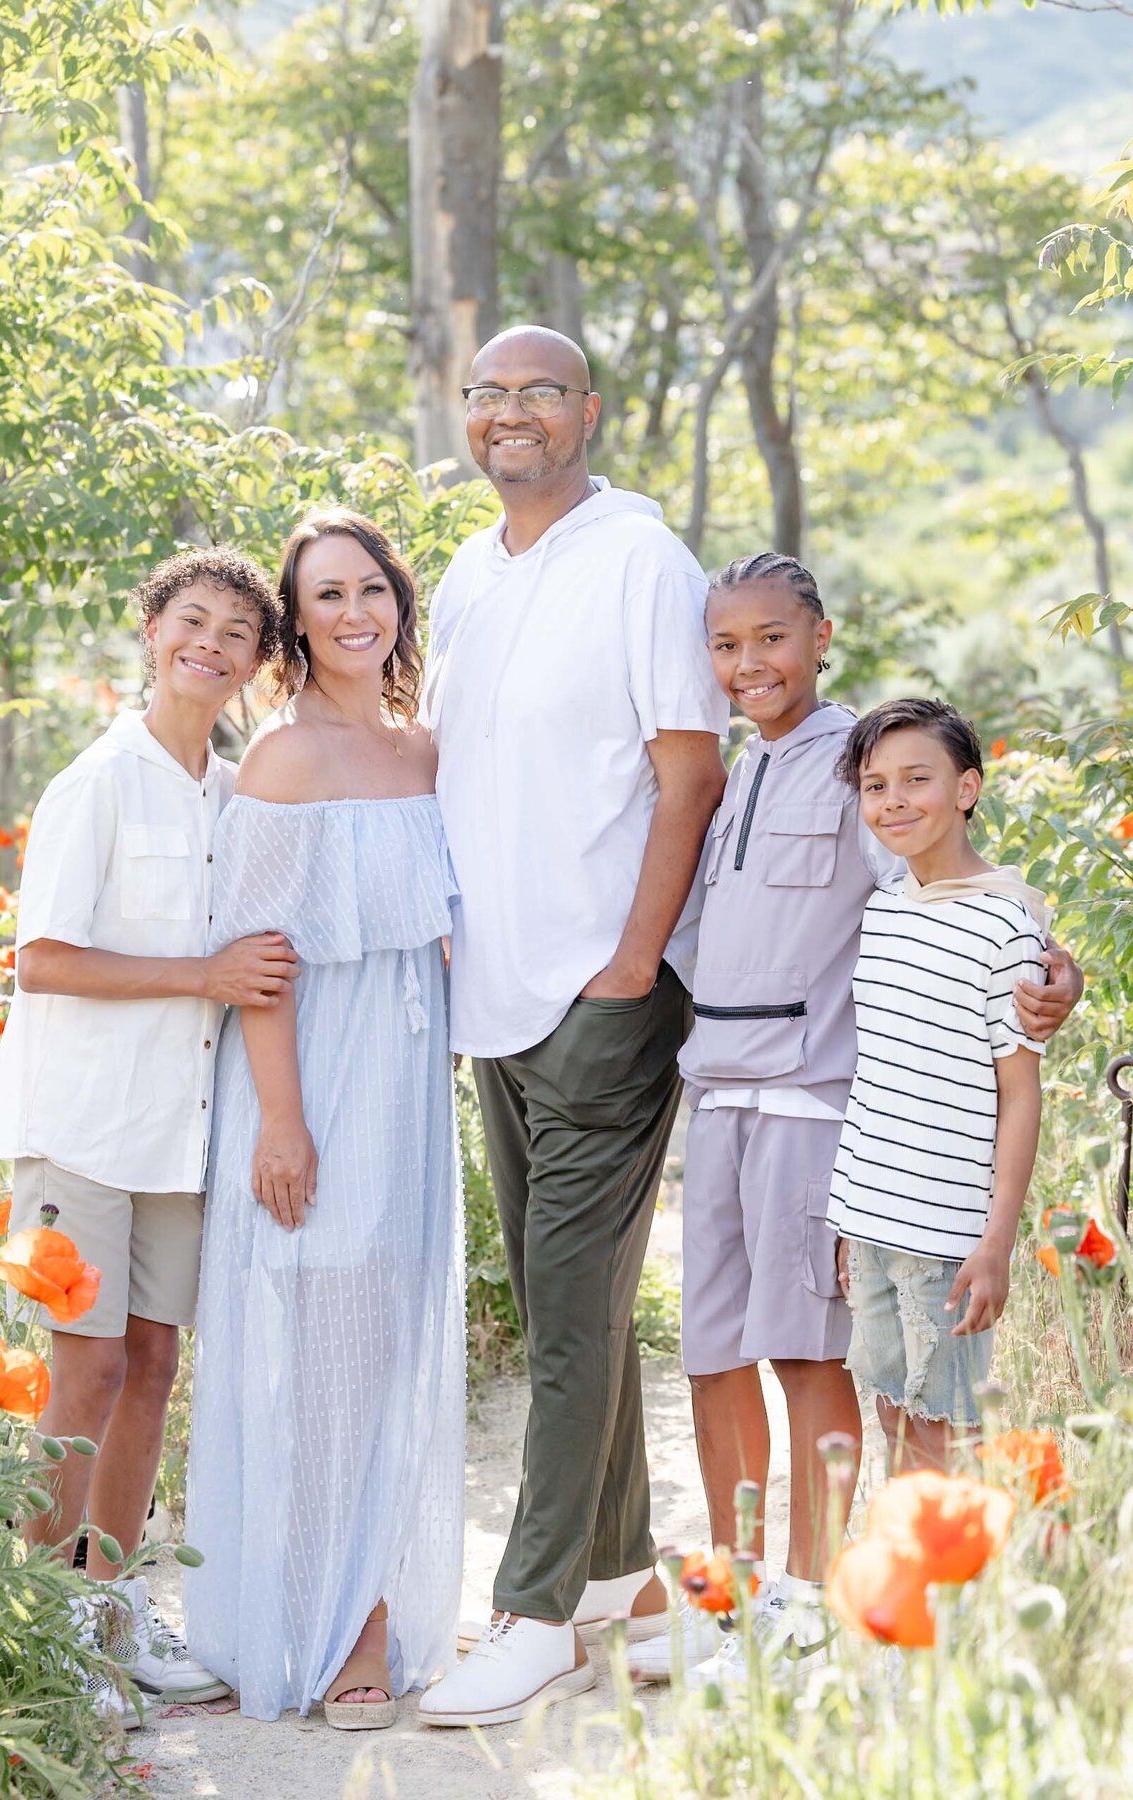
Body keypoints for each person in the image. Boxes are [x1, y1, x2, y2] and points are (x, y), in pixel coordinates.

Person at [629, 555, 1081, 1691]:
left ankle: (810, 1595)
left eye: (772, 639)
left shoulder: (854, 767)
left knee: (805, 1353)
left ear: (821, 636)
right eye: (726, 647)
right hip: (717, 1102)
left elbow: (952, 881)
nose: (750, 665)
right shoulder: (737, 773)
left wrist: (1051, 972)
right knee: (712, 1355)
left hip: (810, 1111)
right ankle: (731, 1595)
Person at [417, 326, 729, 1729]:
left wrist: (631, 962)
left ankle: (534, 1611)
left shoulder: (641, 560)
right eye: (488, 394)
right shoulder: (474, 572)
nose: (511, 414)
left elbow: (689, 770)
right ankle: (621, 1586)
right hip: (494, 990)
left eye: (541, 390)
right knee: (567, 1310)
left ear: (590, 411)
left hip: (604, 992)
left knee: (565, 1322)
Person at [0, 546, 295, 1720]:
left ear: (259, 662)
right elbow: (41, 957)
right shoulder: (97, 781)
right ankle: (40, 1625)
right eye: (191, 621)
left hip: (183, 1132)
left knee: (154, 1365)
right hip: (82, 1126)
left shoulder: (229, 789)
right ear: (151, 629)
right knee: (87, 1365)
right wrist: (202, 974)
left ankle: (112, 1610)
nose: (210, 645)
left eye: (236, 634)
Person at [183, 508, 464, 1726]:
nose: (355, 614)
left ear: (400, 604)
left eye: (373, 591)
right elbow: (259, 961)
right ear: (296, 621)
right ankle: (324, 1624)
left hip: (409, 1090)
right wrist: (282, 1126)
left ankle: (373, 1612)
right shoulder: (283, 760)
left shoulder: (425, 751)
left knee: (391, 1349)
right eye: (327, 596)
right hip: (313, 1079)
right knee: (318, 1355)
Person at [829, 697, 1047, 1471]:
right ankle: (913, 1583)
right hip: (873, 1217)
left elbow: (1021, 1094)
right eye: (876, 784)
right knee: (890, 1413)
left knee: (943, 1435)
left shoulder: (1006, 926)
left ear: (966, 789)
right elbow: (880, 1074)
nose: (894, 801)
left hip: (949, 1236)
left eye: (916, 779)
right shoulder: (885, 909)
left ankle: (956, 1589)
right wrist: (849, 1218)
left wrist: (997, 1242)